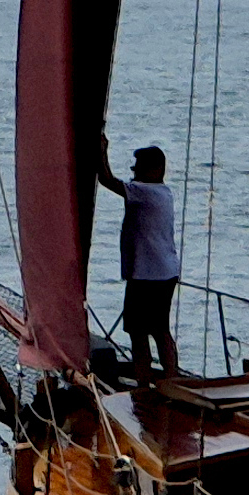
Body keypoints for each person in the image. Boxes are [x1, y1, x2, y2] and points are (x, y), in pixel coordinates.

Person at [95, 139, 182, 380]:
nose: (135, 174)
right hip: (164, 271)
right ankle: (172, 376)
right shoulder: (164, 192)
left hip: (147, 274)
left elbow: (106, 179)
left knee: (138, 330)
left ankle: (143, 380)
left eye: (139, 169)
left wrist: (101, 152)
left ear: (156, 170)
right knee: (160, 328)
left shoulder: (144, 192)